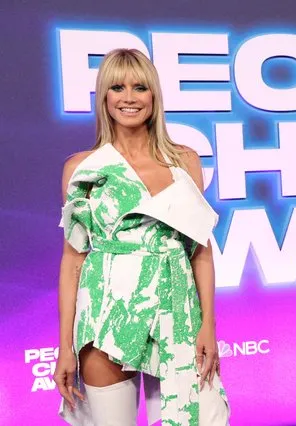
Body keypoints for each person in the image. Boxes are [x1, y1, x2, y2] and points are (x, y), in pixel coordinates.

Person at [53, 48, 230, 426]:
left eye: (140, 87)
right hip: (106, 313)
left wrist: (208, 325)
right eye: (118, 87)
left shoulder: (184, 160)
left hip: (177, 310)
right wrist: (65, 348)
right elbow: (73, 261)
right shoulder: (81, 167)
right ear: (104, 96)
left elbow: (201, 249)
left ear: (154, 96)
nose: (129, 97)